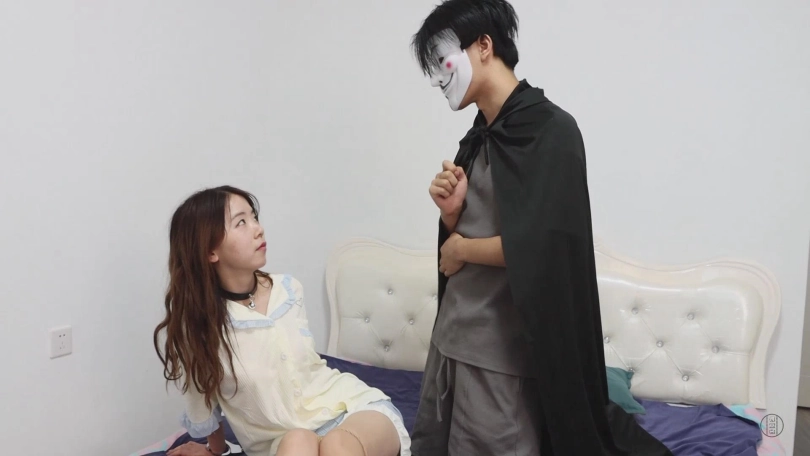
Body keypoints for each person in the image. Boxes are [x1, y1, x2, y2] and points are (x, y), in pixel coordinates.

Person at [409, 1, 672, 455]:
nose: (436, 79)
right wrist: (450, 213)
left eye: (441, 61)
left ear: (483, 46)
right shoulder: (478, 135)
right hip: (449, 339)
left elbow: (546, 246)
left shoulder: (552, 130)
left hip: (500, 352)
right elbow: (477, 227)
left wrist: (462, 249)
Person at [154, 186, 411, 456]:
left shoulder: (288, 291)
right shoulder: (199, 327)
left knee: (337, 447)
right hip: (281, 441)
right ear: (210, 251)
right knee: (298, 441)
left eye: (254, 217)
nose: (258, 229)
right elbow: (203, 400)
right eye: (241, 222)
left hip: (351, 410)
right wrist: (215, 451)